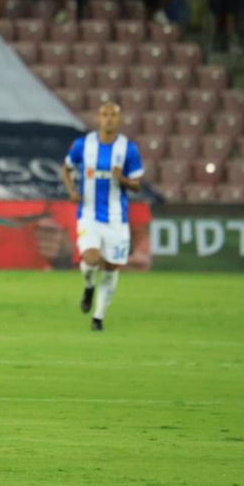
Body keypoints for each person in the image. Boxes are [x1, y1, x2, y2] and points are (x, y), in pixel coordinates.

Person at [60, 101, 144, 332]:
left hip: (117, 219)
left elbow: (137, 185)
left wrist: (124, 180)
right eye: (104, 114)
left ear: (119, 120)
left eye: (113, 115)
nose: (108, 119)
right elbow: (66, 168)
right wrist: (71, 191)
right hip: (88, 214)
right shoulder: (83, 145)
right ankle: (88, 286)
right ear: (98, 118)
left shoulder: (128, 149)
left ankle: (98, 317)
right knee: (91, 258)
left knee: (111, 268)